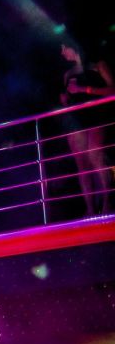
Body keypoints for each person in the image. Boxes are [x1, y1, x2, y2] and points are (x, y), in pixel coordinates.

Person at [61, 42, 115, 215]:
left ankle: (107, 203)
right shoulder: (68, 73)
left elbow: (112, 90)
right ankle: (90, 209)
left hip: (97, 117)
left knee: (96, 158)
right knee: (82, 167)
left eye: (64, 48)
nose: (62, 52)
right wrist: (65, 99)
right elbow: (69, 98)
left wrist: (85, 89)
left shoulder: (98, 65)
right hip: (76, 121)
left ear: (74, 46)